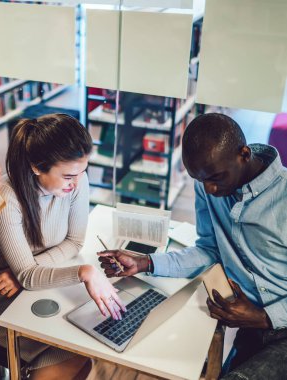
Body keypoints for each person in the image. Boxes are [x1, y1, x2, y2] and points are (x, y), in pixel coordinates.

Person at [98, 113, 287, 380]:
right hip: (250, 325)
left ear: (244, 154)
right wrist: (145, 263)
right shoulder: (209, 184)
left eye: (216, 177)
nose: (209, 188)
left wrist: (265, 317)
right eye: (200, 179)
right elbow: (209, 250)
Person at [0, 113, 125, 380]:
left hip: (27, 283)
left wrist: (24, 274)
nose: (78, 182)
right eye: (69, 175)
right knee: (70, 349)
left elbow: (74, 241)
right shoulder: (7, 196)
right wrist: (84, 272)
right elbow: (29, 275)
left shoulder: (75, 181)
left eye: (83, 171)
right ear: (37, 166)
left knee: (80, 346)